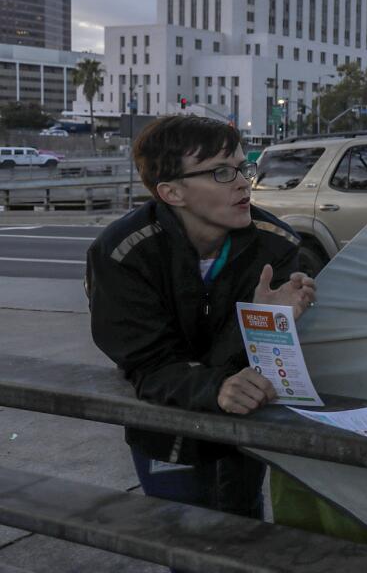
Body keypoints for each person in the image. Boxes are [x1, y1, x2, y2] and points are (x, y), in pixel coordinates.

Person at [87, 115, 316, 522]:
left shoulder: (274, 245)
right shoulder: (123, 253)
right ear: (172, 191)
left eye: (244, 168)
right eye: (222, 173)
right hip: (164, 429)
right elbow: (147, 363)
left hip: (244, 429)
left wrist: (266, 319)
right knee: (184, 537)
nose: (244, 182)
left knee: (241, 530)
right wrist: (217, 386)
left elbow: (267, 366)